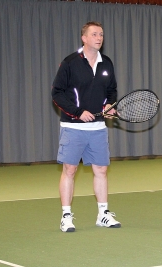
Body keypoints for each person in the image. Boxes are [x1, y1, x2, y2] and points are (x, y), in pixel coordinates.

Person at [52, 21, 121, 232]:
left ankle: (103, 214)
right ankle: (66, 216)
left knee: (101, 169)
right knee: (70, 169)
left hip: (98, 128)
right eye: (94, 34)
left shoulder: (106, 63)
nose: (99, 38)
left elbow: (112, 91)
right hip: (73, 127)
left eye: (101, 34)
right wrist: (78, 112)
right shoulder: (70, 62)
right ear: (84, 38)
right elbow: (57, 93)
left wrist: (109, 105)